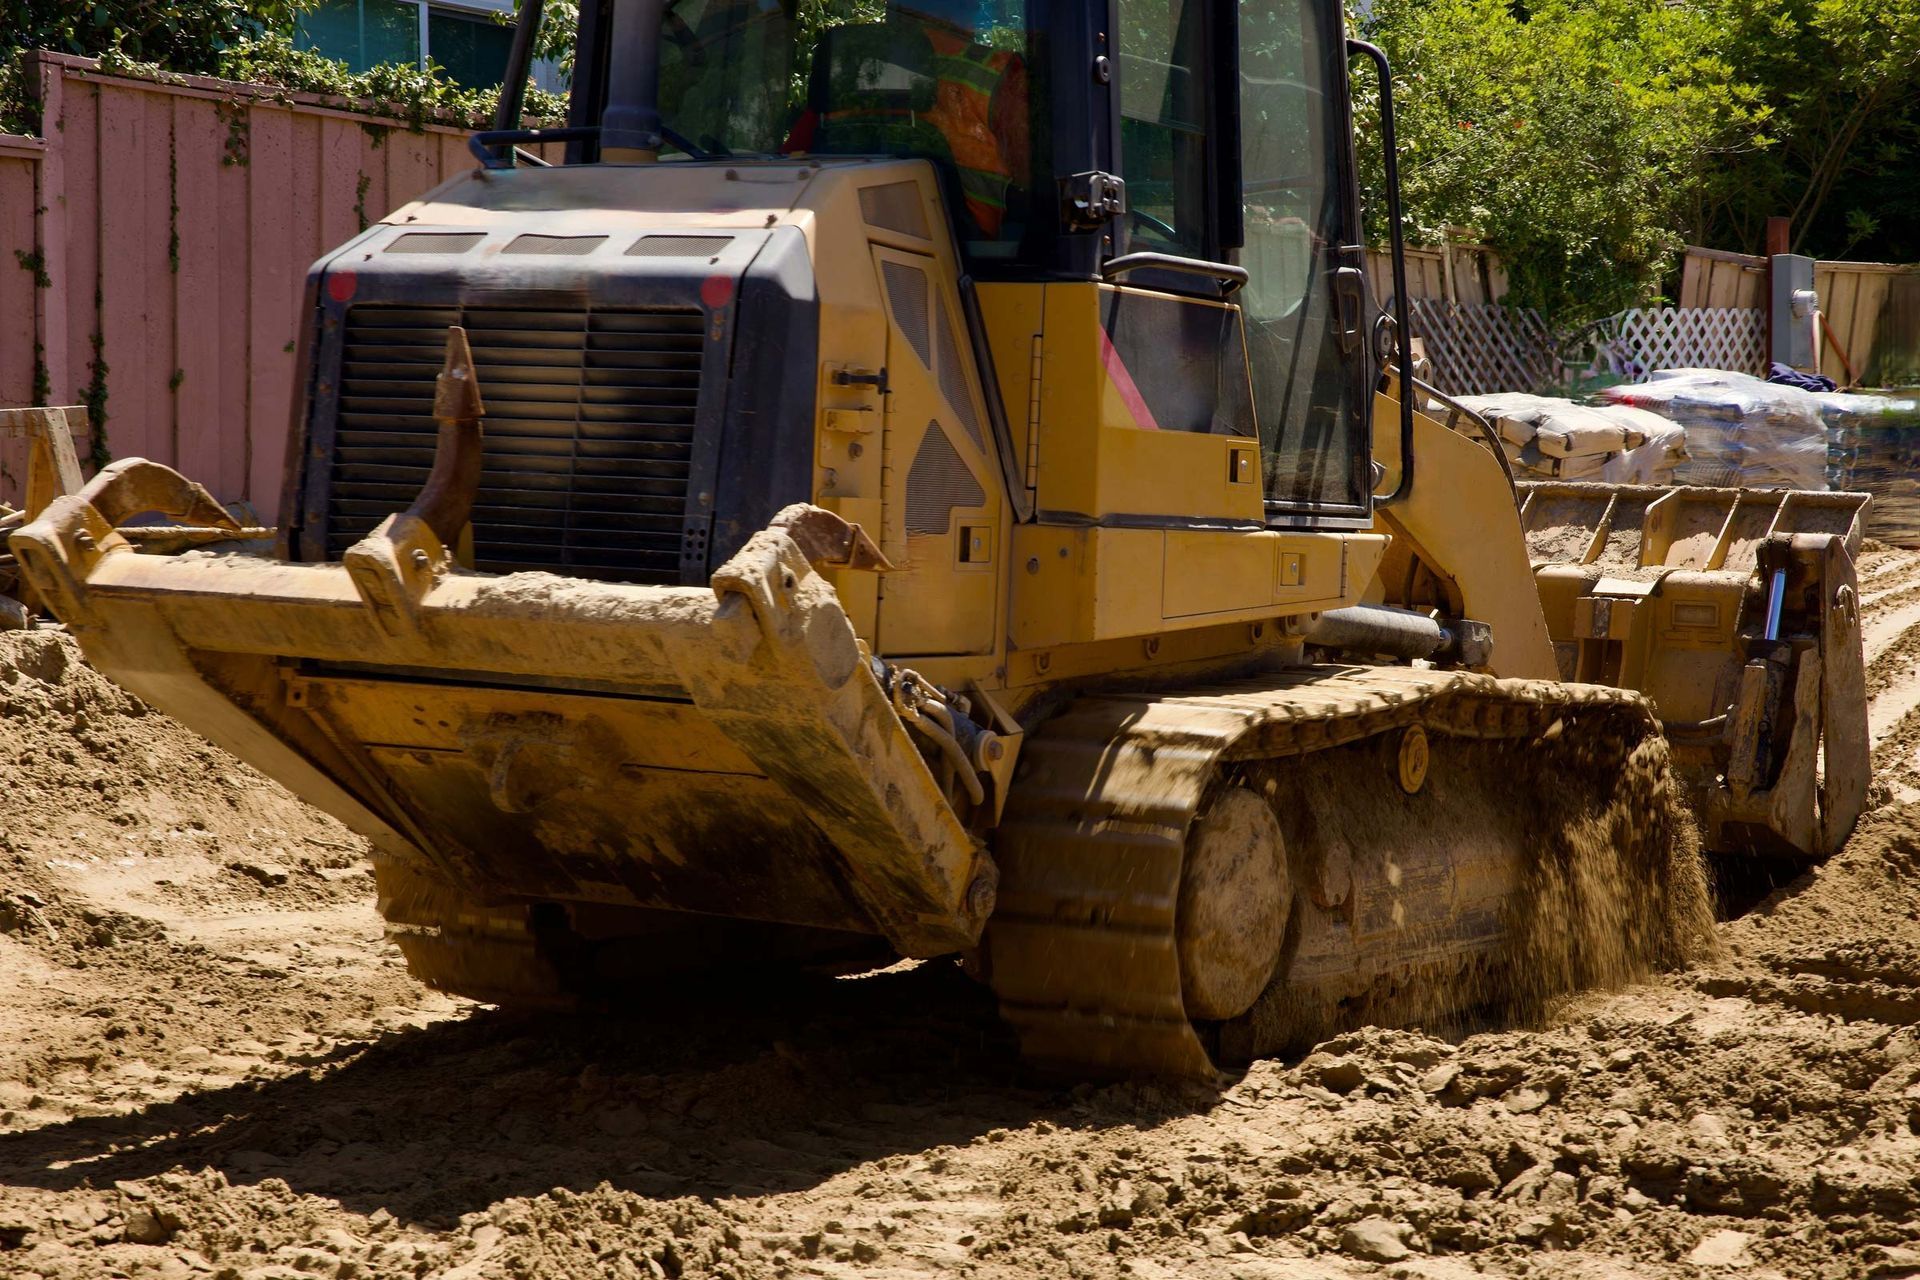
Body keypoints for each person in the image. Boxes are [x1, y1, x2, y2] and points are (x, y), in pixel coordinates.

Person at [783, 0, 1030, 238]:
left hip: (844, 235)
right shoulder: (998, 72)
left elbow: (788, 166)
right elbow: (1033, 176)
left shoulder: (849, 71)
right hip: (973, 252)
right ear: (961, 8)